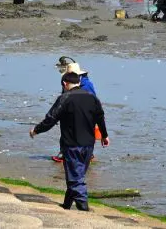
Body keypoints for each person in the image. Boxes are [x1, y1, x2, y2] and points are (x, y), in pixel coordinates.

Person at [30, 69, 108, 212]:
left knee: (75, 178)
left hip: (72, 144)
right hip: (89, 145)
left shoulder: (65, 98)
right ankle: (67, 204)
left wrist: (36, 130)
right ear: (79, 82)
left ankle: (83, 206)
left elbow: (51, 119)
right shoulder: (92, 98)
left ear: (65, 84)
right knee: (77, 175)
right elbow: (100, 118)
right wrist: (104, 135)